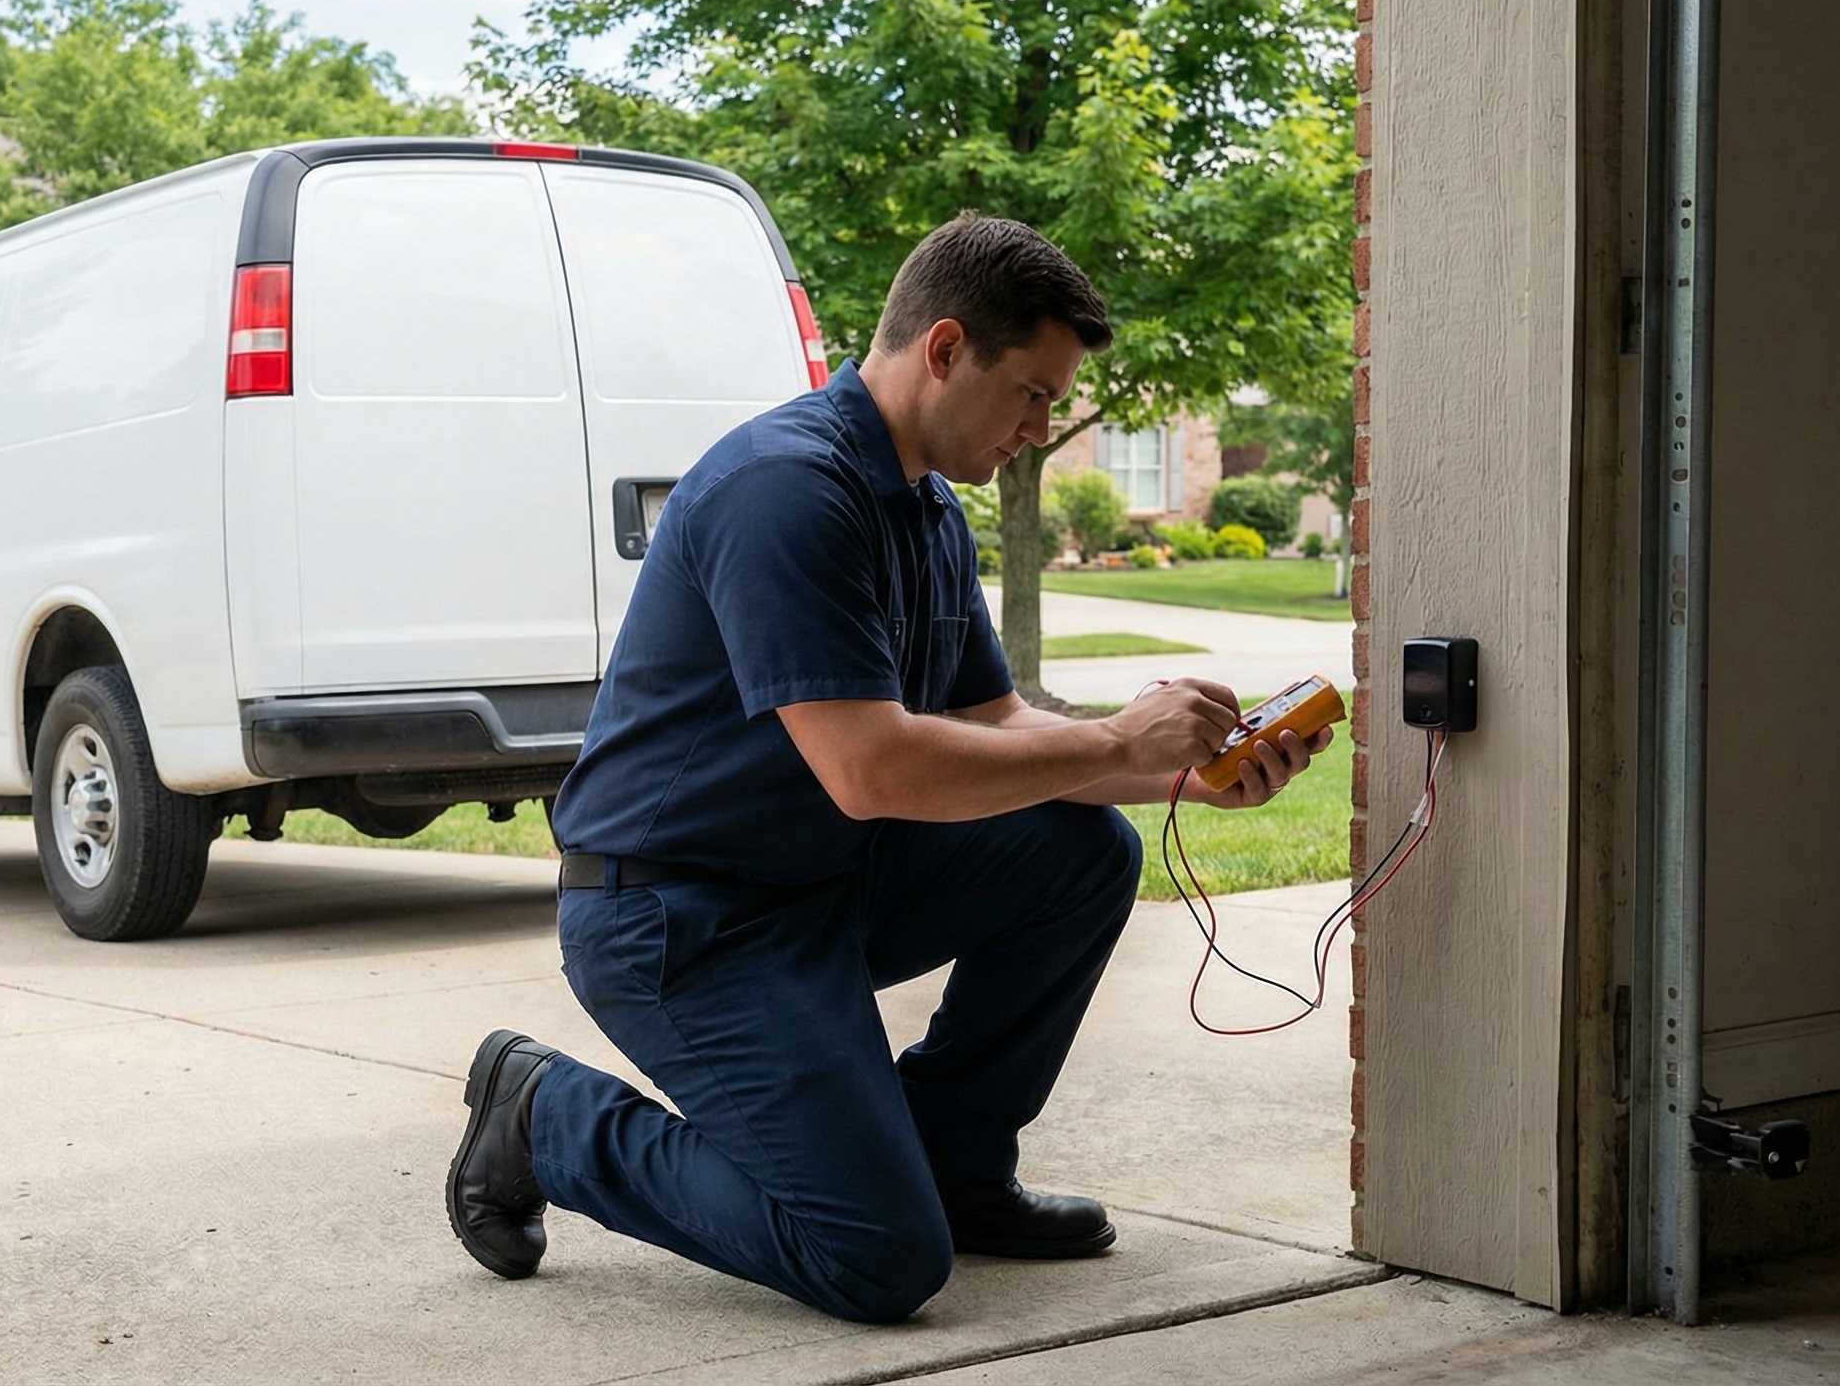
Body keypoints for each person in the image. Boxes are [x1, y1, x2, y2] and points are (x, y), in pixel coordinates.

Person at [442, 213, 1330, 1323]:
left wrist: (1184, 776)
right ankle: (546, 1117)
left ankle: (955, 1167)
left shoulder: (923, 507)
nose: (1040, 427)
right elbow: (870, 769)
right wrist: (1114, 739)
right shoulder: (787, 491)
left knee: (1077, 850)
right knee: (873, 1259)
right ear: (946, 349)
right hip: (678, 919)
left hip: (822, 886)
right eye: (1033, 393)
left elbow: (996, 723)